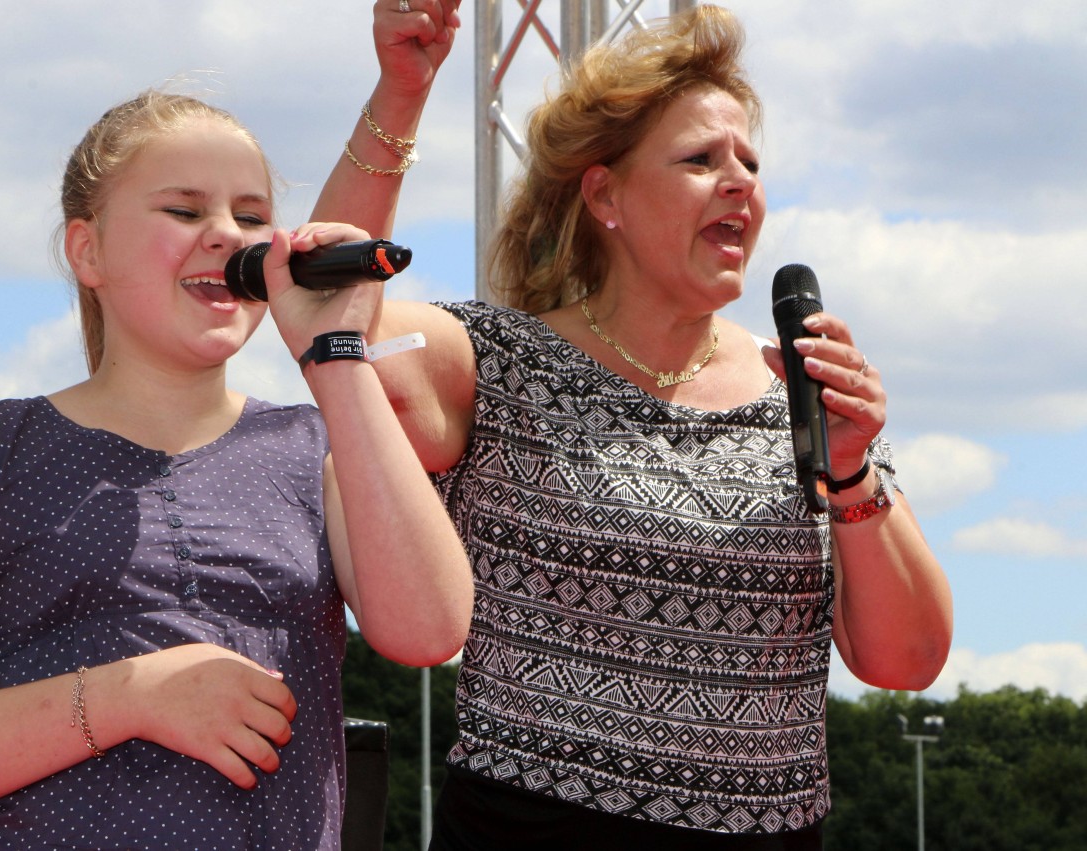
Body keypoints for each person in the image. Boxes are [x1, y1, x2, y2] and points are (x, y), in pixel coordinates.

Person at [0, 5, 471, 850]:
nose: (225, 234)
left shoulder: (311, 448)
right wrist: (131, 696)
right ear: (86, 251)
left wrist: (337, 355)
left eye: (251, 216)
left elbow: (429, 629)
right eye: (182, 209)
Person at [341, 6, 954, 849]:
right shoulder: (502, 362)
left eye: (749, 161)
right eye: (701, 160)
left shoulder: (802, 394)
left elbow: (907, 659)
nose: (739, 181)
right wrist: (403, 90)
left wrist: (852, 475)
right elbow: (333, 317)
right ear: (606, 195)